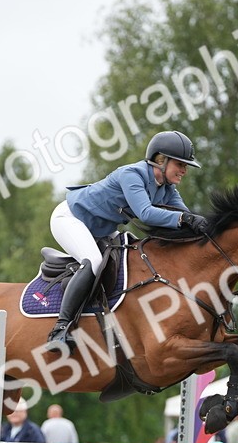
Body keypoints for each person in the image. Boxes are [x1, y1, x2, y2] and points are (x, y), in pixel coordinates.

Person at [46, 130, 205, 350]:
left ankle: (109, 326)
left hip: (100, 229)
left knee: (127, 259)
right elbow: (146, 213)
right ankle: (60, 329)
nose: (184, 171)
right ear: (161, 160)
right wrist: (185, 218)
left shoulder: (167, 189)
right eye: (181, 164)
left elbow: (185, 217)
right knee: (93, 261)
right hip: (70, 218)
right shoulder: (132, 175)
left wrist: (207, 228)